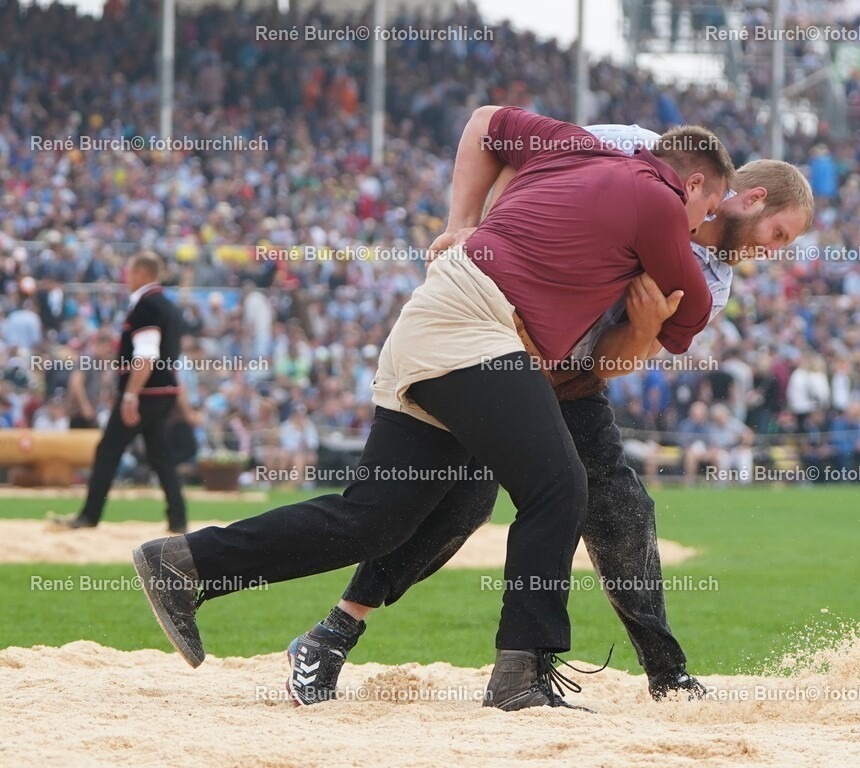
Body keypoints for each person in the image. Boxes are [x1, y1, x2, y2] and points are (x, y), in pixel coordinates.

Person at [132, 106, 733, 712]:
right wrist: (651, 312)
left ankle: (186, 564)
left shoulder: (575, 146)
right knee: (558, 486)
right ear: (693, 183)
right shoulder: (657, 198)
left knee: (375, 520)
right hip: (475, 328)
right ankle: (521, 670)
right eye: (706, 210)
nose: (700, 226)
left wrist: (463, 222)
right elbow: (692, 310)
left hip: (435, 321)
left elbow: (485, 121)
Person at [283, 138, 815, 706]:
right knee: (458, 503)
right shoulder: (642, 149)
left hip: (571, 376)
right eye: (778, 234)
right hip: (495, 340)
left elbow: (613, 363)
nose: (772, 252)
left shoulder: (714, 282)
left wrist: (640, 329)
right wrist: (474, 230)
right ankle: (331, 636)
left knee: (622, 508)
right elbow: (525, 158)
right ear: (751, 198)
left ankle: (666, 674)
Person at [54, 252, 188, 532]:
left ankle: (89, 516)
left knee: (108, 450)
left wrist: (130, 395)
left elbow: (146, 356)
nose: (126, 278)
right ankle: (178, 518)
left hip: (145, 392)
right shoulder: (169, 306)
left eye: (129, 271)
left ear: (140, 273)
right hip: (165, 390)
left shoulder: (146, 306)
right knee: (159, 453)